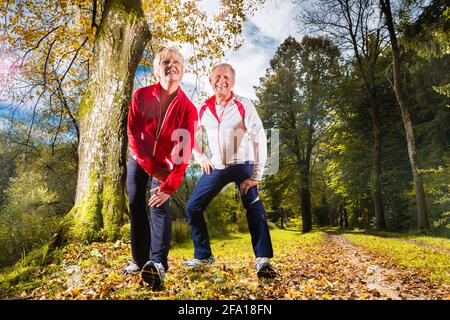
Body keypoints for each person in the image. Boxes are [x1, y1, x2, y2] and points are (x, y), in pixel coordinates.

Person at [185, 62, 277, 278]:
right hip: (216, 166)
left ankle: (263, 260)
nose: (221, 81)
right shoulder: (203, 107)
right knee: (192, 208)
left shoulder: (244, 104)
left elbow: (260, 137)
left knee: (253, 204)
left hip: (242, 163)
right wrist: (201, 157)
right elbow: (190, 135)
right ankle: (203, 255)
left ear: (233, 82)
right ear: (210, 81)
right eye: (217, 77)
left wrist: (256, 176)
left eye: (226, 77)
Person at [125, 46, 197, 289]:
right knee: (135, 203)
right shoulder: (141, 96)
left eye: (176, 62)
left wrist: (170, 184)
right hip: (139, 158)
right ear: (157, 70)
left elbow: (184, 151)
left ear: (183, 71)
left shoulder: (189, 109)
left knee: (159, 206)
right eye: (165, 61)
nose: (171, 65)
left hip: (166, 164)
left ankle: (157, 264)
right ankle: (139, 259)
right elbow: (132, 134)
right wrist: (148, 166)